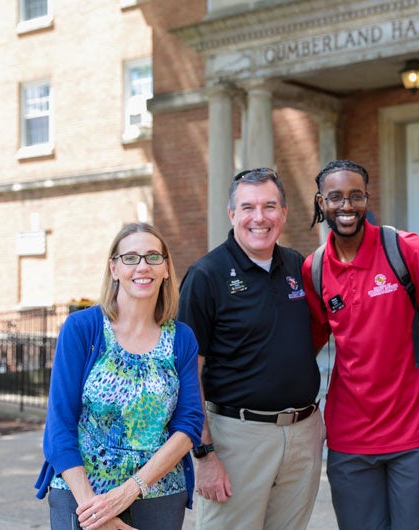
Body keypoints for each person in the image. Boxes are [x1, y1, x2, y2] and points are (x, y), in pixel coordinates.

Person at [302, 159, 419, 530]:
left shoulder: (405, 249)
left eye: (355, 196)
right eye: (335, 197)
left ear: (367, 199)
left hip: (413, 430)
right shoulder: (315, 268)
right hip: (349, 435)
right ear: (320, 203)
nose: (346, 206)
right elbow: (303, 346)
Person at [177, 168, 324, 530]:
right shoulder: (206, 275)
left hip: (303, 432)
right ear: (232, 215)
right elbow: (186, 374)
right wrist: (205, 454)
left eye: (269, 206)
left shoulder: (297, 266)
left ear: (284, 213)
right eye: (248, 207)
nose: (260, 217)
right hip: (236, 438)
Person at [35, 222, 204, 530]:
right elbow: (59, 426)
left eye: (154, 257)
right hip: (81, 497)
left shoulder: (181, 338)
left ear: (166, 268)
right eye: (131, 258)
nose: (143, 266)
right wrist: (98, 510)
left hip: (159, 496)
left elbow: (189, 423)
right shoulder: (82, 329)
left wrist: (128, 492)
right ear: (114, 268)